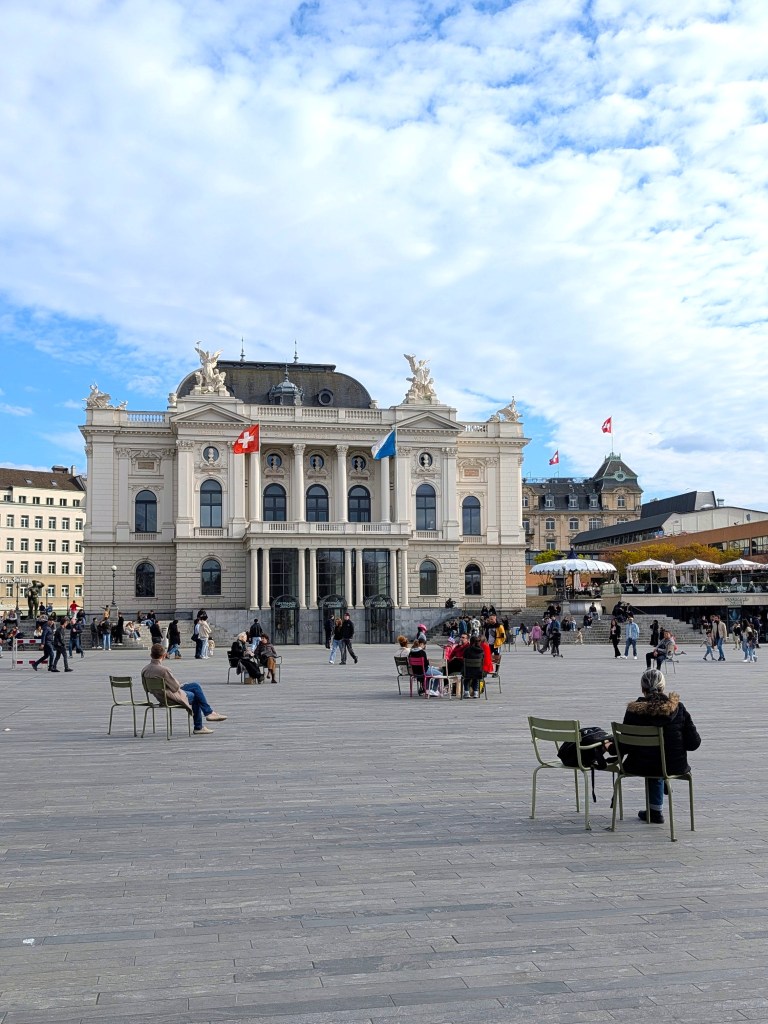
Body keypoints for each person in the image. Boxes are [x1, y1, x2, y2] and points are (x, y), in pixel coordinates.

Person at [620, 668, 701, 823]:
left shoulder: (633, 711)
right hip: (674, 765)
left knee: (653, 759)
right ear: (663, 687)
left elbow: (625, 745)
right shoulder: (679, 708)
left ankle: (655, 810)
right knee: (659, 759)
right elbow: (694, 743)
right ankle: (656, 807)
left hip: (640, 765)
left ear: (642, 688)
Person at [141, 643, 227, 735]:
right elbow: (175, 688)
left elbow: (147, 689)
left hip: (160, 696)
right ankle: (201, 723)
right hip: (170, 698)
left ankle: (209, 713)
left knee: (195, 686)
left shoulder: (144, 670)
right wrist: (179, 684)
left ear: (151, 655)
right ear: (164, 655)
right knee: (195, 695)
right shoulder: (164, 670)